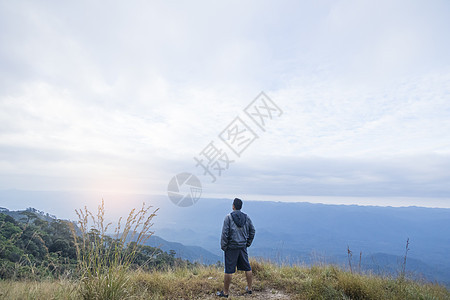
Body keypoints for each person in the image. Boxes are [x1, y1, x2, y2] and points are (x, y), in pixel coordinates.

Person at [216, 198, 256, 298]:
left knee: (229, 270)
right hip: (242, 246)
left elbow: (225, 233)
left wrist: (224, 246)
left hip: (231, 247)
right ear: (240, 206)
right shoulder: (247, 218)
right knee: (247, 267)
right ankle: (250, 289)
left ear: (233, 206)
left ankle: (225, 293)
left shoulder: (228, 218)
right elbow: (253, 231)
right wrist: (247, 243)